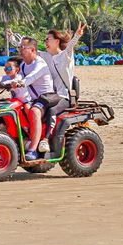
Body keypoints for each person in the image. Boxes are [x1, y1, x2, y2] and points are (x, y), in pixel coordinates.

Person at [38, 23, 86, 152]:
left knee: (51, 111)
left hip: (64, 96)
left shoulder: (65, 56)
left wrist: (77, 36)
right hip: (50, 95)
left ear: (57, 41)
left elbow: (70, 46)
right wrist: (13, 39)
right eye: (45, 40)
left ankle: (45, 140)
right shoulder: (45, 56)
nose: (45, 42)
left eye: (48, 39)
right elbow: (29, 50)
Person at [8, 37, 54, 160]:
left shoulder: (40, 64)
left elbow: (31, 77)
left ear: (33, 50)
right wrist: (10, 82)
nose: (20, 50)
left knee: (34, 111)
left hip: (46, 98)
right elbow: (18, 76)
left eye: (23, 47)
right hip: (33, 99)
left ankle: (33, 149)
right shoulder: (23, 65)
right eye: (19, 47)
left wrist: (20, 82)